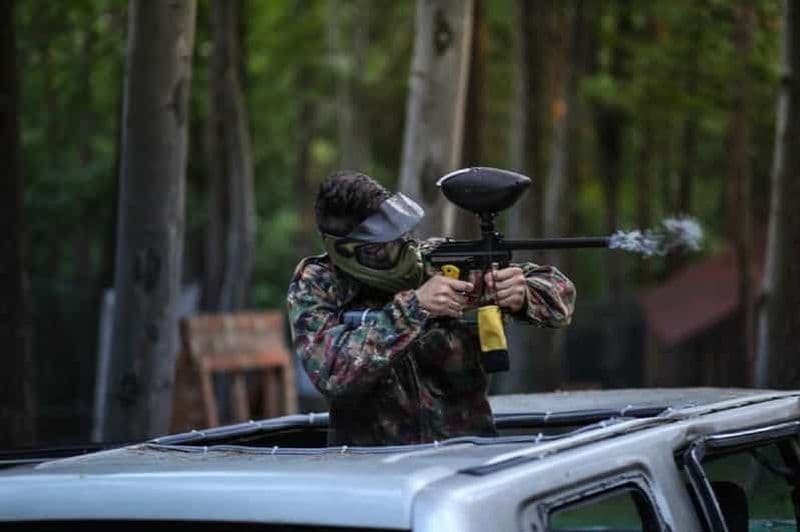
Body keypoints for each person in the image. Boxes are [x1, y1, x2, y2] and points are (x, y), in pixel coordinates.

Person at [287, 170, 575, 446]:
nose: (399, 250)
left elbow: (561, 297)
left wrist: (523, 294)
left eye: (399, 237)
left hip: (466, 457)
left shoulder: (442, 266)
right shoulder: (318, 284)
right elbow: (333, 373)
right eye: (380, 247)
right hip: (374, 471)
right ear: (345, 250)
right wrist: (415, 308)